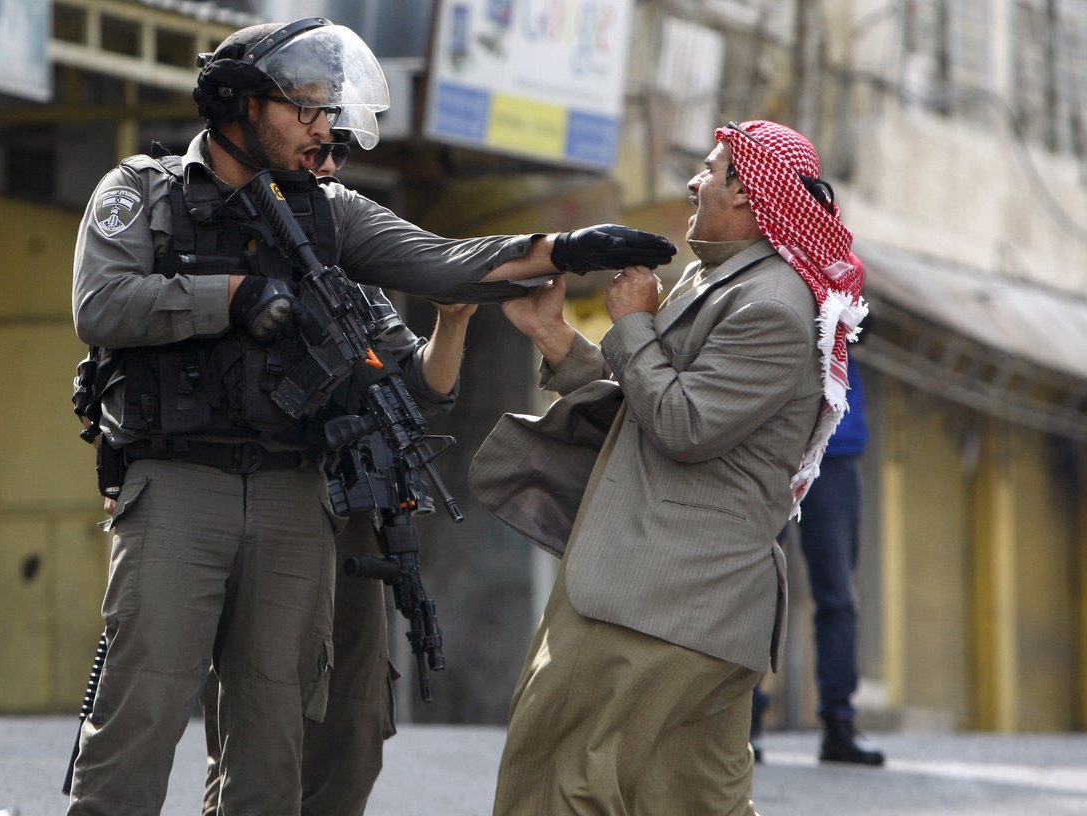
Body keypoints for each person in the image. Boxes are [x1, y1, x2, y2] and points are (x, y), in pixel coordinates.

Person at [65, 17, 676, 816]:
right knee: (137, 714)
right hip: (178, 485)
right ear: (238, 103)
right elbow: (100, 305)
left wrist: (564, 249)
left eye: (327, 108)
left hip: (294, 493)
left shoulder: (329, 214)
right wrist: (235, 297)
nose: (323, 126)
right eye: (304, 107)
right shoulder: (140, 193)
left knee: (275, 730)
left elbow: (444, 260)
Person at [470, 120, 867, 814]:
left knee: (560, 783)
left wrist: (632, 324)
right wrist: (559, 339)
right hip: (687, 610)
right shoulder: (723, 281)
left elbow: (684, 425)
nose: (692, 182)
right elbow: (646, 405)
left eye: (710, 170)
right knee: (690, 801)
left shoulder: (771, 305)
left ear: (748, 197)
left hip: (661, 602)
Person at [199, 134, 480, 816]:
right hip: (258, 495)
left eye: (337, 158)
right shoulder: (211, 235)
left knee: (355, 718)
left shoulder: (346, 256)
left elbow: (418, 383)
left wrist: (454, 319)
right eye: (315, 151)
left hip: (348, 508)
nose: (324, 167)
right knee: (259, 727)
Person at [750, 351, 884, 767]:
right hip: (768, 440)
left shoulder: (845, 282)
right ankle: (743, 724)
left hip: (834, 446)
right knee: (753, 588)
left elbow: (864, 319)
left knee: (837, 595)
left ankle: (839, 725)